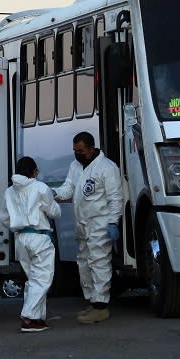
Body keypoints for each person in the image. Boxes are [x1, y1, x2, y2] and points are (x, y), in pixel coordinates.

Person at [53, 132, 124, 324]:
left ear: (91, 149)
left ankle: (101, 306)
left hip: (99, 223)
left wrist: (112, 222)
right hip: (82, 224)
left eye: (81, 151)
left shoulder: (107, 168)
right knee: (84, 262)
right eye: (75, 150)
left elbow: (115, 198)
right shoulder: (75, 166)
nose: (77, 154)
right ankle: (93, 301)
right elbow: (68, 188)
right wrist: (52, 193)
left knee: (99, 262)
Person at [0, 156, 61, 333]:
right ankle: (28, 317)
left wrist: (18, 226)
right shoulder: (40, 188)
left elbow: (4, 218)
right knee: (42, 279)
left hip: (21, 239)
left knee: (33, 280)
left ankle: (38, 319)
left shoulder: (9, 192)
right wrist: (53, 198)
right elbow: (54, 212)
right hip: (40, 237)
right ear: (34, 171)